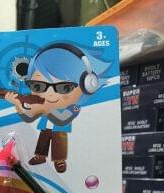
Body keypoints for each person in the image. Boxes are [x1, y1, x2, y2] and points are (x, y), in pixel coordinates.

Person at [6, 43, 111, 173]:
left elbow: (62, 120)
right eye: (38, 86)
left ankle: (59, 160)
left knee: (59, 142)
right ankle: (40, 156)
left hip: (60, 130)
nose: (50, 94)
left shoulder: (73, 108)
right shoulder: (41, 105)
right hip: (46, 127)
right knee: (43, 139)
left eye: (64, 88)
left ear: (86, 86)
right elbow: (28, 118)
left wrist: (44, 108)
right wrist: (17, 105)